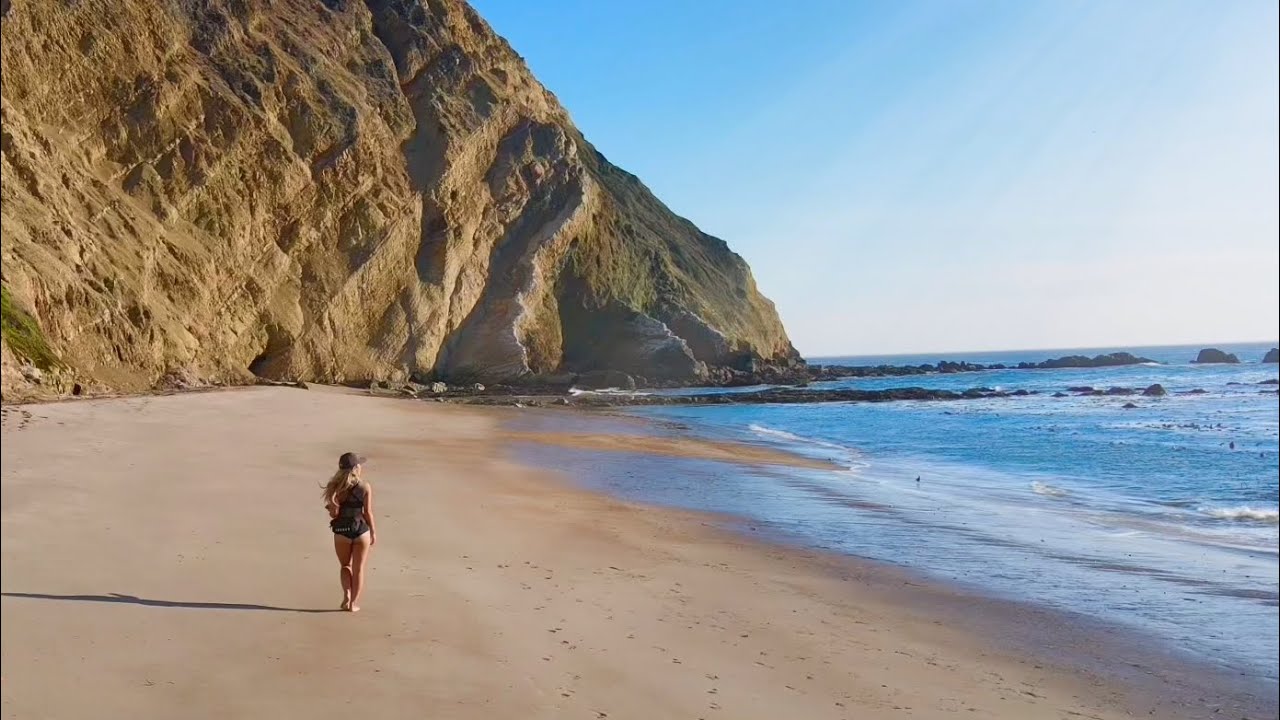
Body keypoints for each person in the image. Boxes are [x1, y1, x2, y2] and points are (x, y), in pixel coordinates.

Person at [322, 452, 376, 612]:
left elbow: (334, 514)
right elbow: (367, 512)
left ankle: (346, 595)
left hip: (342, 531)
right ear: (356, 468)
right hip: (361, 531)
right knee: (358, 569)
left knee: (346, 565)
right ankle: (353, 604)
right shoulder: (364, 487)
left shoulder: (335, 488)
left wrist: (331, 508)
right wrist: (373, 532)